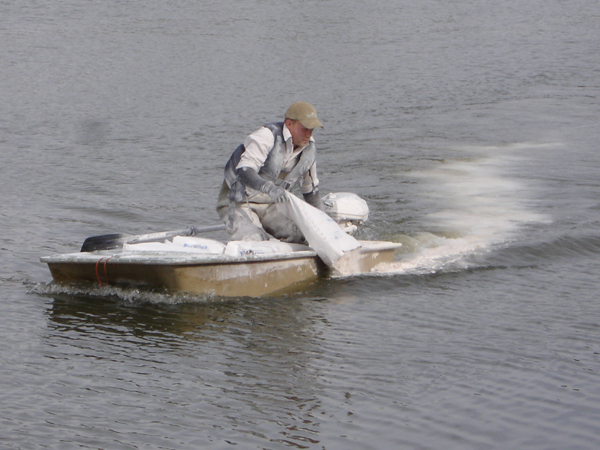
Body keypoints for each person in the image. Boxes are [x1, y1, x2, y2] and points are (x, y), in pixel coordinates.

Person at [217, 102, 324, 243]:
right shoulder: (266, 136)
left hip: (271, 205)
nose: (308, 134)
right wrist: (268, 188)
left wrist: (324, 224)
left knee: (302, 235)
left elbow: (311, 192)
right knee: (254, 238)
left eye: (312, 130)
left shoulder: (309, 148)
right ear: (289, 124)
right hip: (238, 202)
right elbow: (244, 171)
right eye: (304, 129)